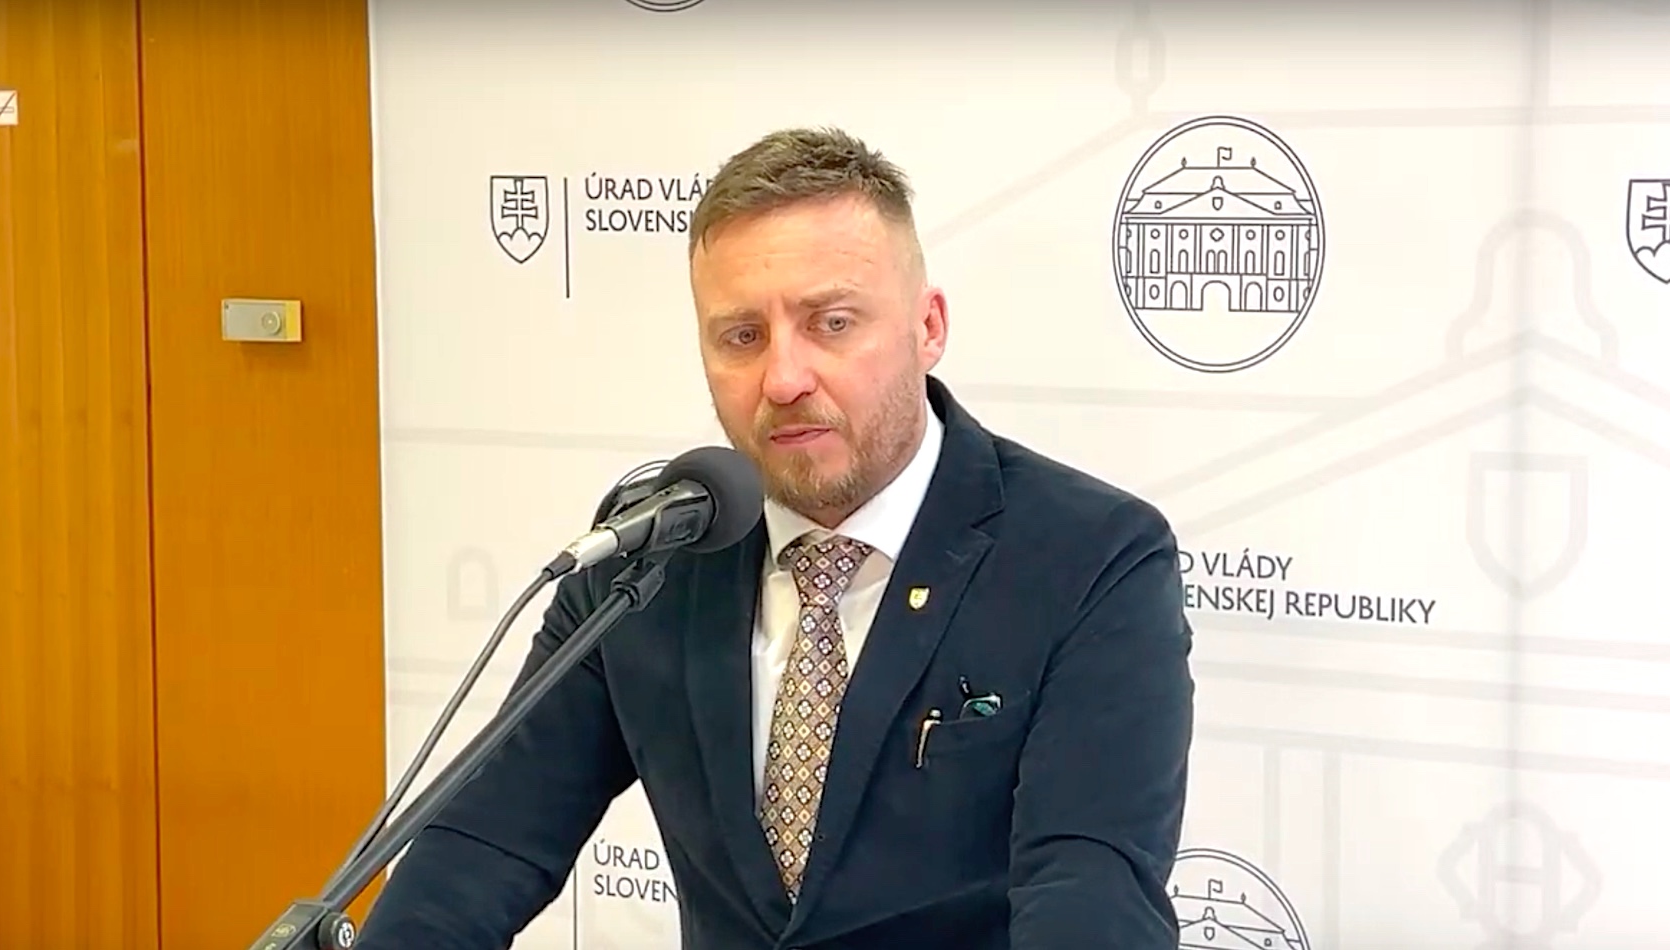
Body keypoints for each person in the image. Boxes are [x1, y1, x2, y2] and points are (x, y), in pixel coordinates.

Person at [354, 127, 1195, 949]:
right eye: (742, 337)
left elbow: (1092, 891)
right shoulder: (653, 553)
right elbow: (486, 844)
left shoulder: (1090, 559)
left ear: (928, 328)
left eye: (832, 323)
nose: (784, 379)